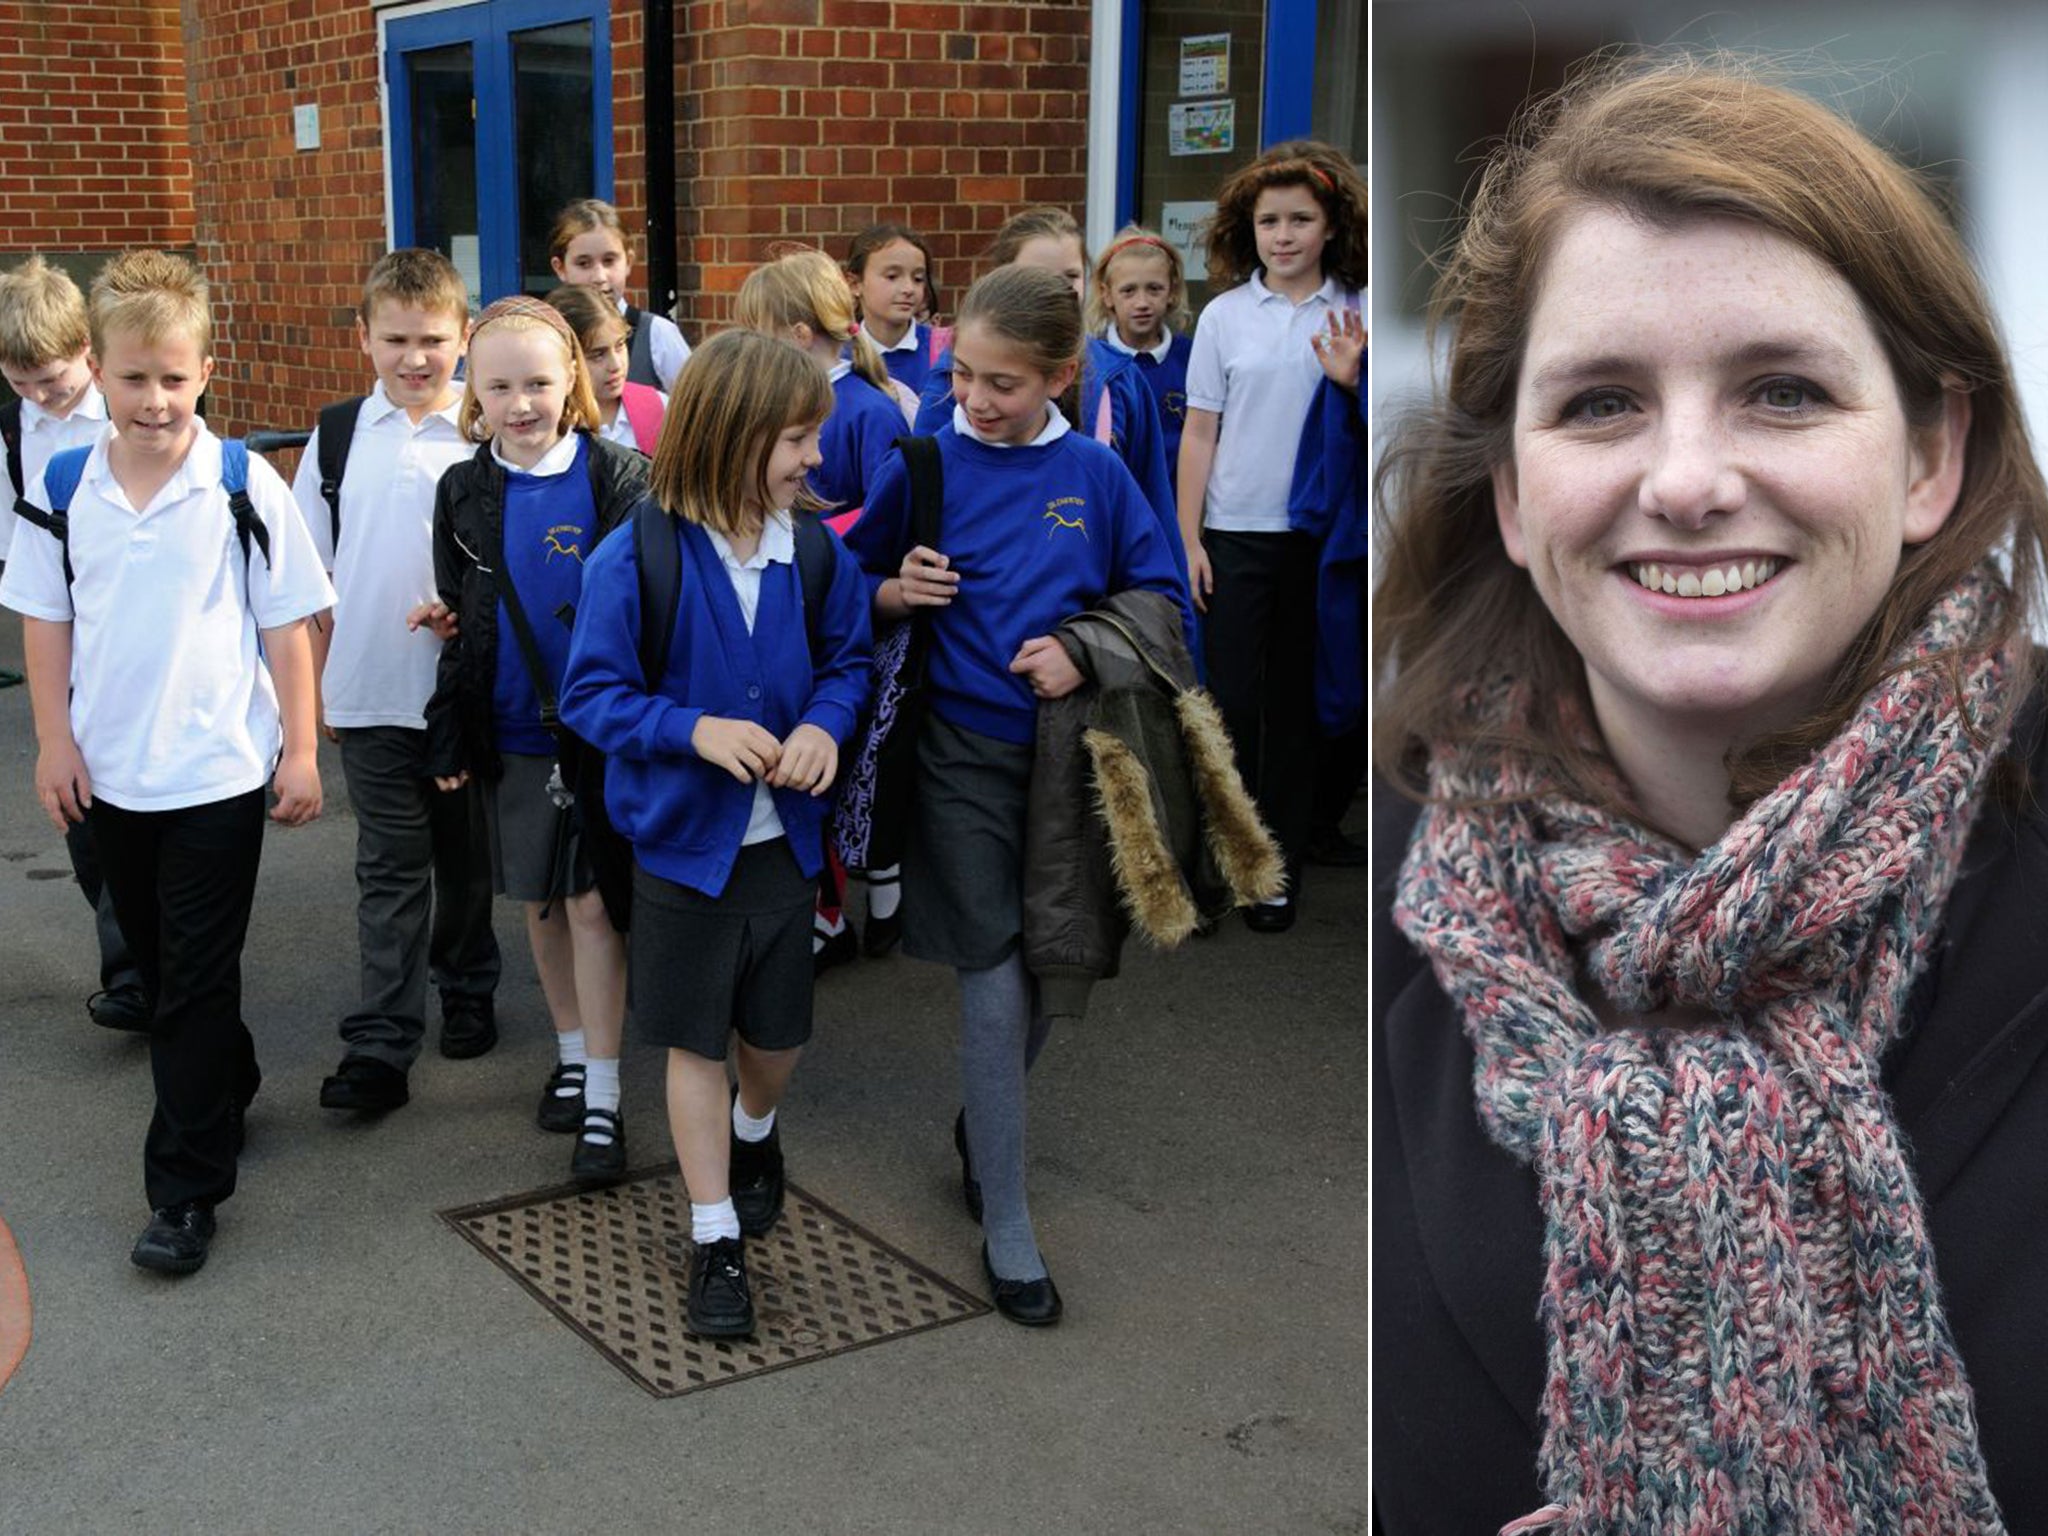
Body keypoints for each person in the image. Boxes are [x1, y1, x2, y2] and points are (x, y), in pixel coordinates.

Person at [1372, 55, 2048, 1535]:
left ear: (1932, 453)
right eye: (1603, 402)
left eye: (1784, 393)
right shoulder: (1384, 903)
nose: (1685, 480)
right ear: (1511, 490)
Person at [844, 265, 1191, 1324]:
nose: (976, 400)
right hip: (955, 758)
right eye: (965, 377)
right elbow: (841, 583)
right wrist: (892, 591)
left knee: (1052, 971)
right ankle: (1007, 1222)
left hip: (1071, 762)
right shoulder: (923, 461)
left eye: (1004, 382)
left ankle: (978, 1131)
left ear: (1061, 374)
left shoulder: (1093, 471)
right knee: (994, 983)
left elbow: (1164, 598)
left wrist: (1084, 649)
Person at [1, 251, 332, 1275]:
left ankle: (184, 1193)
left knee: (188, 980)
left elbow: (289, 626)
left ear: (206, 372)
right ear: (96, 368)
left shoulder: (241, 486)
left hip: (219, 776)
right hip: (109, 778)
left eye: (175, 377)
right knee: (159, 966)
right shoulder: (64, 486)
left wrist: (304, 751)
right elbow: (45, 621)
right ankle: (224, 1077)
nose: (155, 399)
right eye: (135, 376)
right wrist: (53, 740)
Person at [560, 329, 872, 1338]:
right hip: (679, 852)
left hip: (785, 848)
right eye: (794, 440)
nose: (812, 460)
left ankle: (757, 1129)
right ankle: (713, 1235)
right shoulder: (634, 555)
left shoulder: (815, 550)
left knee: (774, 1040)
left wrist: (824, 725)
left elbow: (848, 662)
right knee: (695, 1042)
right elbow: (591, 697)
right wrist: (690, 727)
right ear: (730, 437)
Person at [417, 296, 648, 1184]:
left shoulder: (619, 477)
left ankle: (604, 1094)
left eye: (540, 383)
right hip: (508, 730)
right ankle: (569, 1048)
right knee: (543, 906)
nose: (521, 402)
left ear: (574, 384)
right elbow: (463, 609)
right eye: (500, 384)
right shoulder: (461, 489)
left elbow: (647, 605)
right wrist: (450, 726)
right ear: (472, 391)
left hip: (598, 731)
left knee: (592, 905)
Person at [293, 248, 502, 1112]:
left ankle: (466, 983)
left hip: (466, 691)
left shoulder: (485, 425)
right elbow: (300, 578)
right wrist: (309, 697)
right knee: (390, 864)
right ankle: (381, 1045)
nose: (416, 359)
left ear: (465, 337)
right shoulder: (339, 436)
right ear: (364, 338)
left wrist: (471, 619)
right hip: (371, 689)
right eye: (396, 340)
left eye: (434, 340)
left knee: (464, 857)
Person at [1178, 140, 1367, 933]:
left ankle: (1275, 869)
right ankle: (1221, 861)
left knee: (1294, 711)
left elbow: (1385, 431)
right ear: (1245, 230)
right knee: (1227, 704)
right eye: (1267, 221)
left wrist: (1352, 383)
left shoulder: (1355, 308)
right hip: (1233, 536)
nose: (1282, 235)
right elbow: (1197, 433)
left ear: (1330, 226)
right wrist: (1188, 541)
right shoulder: (1223, 316)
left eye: (1300, 219)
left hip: (1314, 543)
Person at [735, 246, 908, 970]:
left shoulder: (866, 410)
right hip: (796, 603)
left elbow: (888, 513)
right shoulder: (809, 404)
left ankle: (836, 913)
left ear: (798, 334)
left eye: (759, 332)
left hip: (846, 607)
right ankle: (826, 907)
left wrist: (810, 536)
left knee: (830, 765)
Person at [0, 255, 143, 1027]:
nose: (40, 396)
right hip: (70, 648)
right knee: (83, 819)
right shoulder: (13, 430)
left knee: (140, 812)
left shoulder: (131, 408)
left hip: (136, 635)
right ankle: (130, 966)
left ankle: (145, 965)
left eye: (51, 379)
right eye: (21, 384)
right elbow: (16, 554)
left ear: (87, 352)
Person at [911, 209, 1185, 592]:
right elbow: (916, 503)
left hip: (1092, 612)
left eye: (1071, 276)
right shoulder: (952, 380)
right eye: (1037, 276)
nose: (1060, 290)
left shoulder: (1120, 380)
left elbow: (1155, 524)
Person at [1086, 228, 1193, 494]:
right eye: (1129, 291)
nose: (1142, 302)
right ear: (1107, 294)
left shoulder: (1192, 358)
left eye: (1154, 289)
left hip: (1174, 509)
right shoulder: (1090, 362)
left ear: (1172, 292)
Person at [547, 198, 690, 391]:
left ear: (629, 262)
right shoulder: (546, 338)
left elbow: (695, 409)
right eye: (583, 263)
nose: (599, 277)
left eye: (609, 261)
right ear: (560, 268)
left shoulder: (657, 335)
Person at [544, 280, 667, 455]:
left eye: (620, 345)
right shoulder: (547, 425)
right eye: (597, 354)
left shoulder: (658, 407)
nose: (616, 365)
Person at [845, 222, 944, 399]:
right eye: (892, 276)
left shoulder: (944, 350)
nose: (908, 288)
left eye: (918, 279)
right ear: (855, 284)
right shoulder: (838, 357)